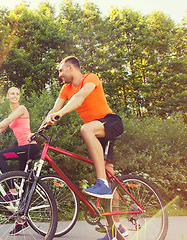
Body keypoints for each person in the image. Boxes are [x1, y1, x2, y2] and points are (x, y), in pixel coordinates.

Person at [31, 56, 125, 239]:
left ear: (71, 68)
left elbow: (80, 98)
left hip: (110, 123)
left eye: (61, 70)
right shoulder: (66, 89)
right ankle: (116, 229)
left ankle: (102, 184)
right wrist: (38, 131)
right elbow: (53, 110)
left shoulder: (90, 78)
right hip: (98, 132)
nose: (59, 75)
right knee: (109, 178)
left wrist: (61, 113)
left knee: (85, 129)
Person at [0, 87, 39, 235]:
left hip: (28, 148)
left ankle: (12, 191)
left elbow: (6, 121)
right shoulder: (13, 113)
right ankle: (22, 221)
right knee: (24, 184)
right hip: (23, 150)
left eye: (17, 93)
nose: (15, 96)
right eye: (12, 93)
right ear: (7, 96)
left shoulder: (21, 109)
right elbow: (0, 130)